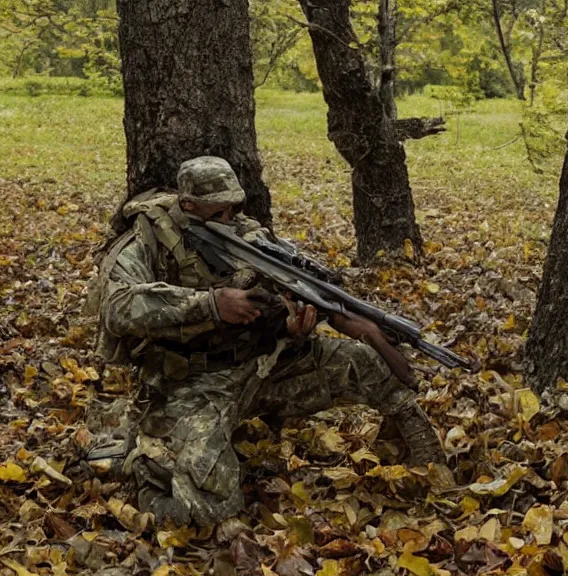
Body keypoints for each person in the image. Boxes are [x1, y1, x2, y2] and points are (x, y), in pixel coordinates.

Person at [89, 156, 445, 526]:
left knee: (361, 360)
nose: (230, 217)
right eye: (220, 210)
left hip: (260, 366)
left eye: (234, 207)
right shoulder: (148, 239)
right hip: (190, 384)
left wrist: (291, 325)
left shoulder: (248, 236)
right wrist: (210, 305)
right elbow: (118, 307)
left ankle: (419, 444)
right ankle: (149, 468)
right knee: (208, 510)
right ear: (189, 204)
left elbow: (286, 294)